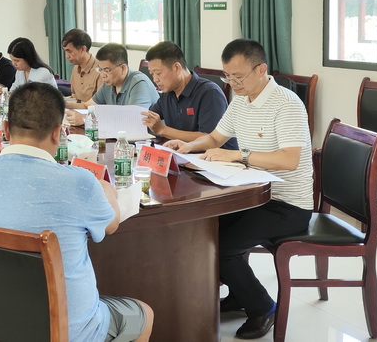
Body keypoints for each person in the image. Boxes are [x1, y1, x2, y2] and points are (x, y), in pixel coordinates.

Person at [0, 82, 154, 342]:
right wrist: (106, 188)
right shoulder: (78, 181)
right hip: (66, 330)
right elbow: (111, 225)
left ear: (6, 129)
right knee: (144, 313)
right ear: (58, 133)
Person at [164, 39, 312, 340]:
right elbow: (215, 137)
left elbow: (289, 160)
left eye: (238, 77)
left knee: (223, 247)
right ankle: (238, 293)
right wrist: (188, 147)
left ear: (261, 70)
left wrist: (238, 156)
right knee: (203, 231)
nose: (232, 83)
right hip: (253, 195)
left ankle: (264, 308)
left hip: (287, 204)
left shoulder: (286, 104)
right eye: (227, 76)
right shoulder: (241, 100)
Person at [140, 41, 236, 149]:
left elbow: (209, 138)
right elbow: (148, 118)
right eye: (152, 74)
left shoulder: (210, 93)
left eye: (158, 73)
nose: (155, 79)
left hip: (216, 157)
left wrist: (162, 129)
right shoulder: (167, 93)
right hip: (183, 155)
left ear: (177, 68)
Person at [66, 43, 159, 126]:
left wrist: (86, 119)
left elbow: (133, 120)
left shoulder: (139, 83)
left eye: (106, 70)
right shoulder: (109, 83)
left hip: (151, 137)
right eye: (99, 69)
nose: (102, 75)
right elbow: (87, 106)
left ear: (123, 68)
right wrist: (64, 104)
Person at [62, 28, 102, 107]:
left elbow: (99, 105)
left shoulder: (100, 71)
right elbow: (74, 97)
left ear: (83, 49)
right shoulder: (75, 69)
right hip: (77, 111)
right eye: (65, 51)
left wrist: (67, 104)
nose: (67, 56)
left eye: (69, 51)